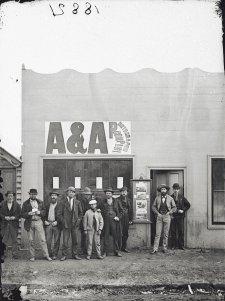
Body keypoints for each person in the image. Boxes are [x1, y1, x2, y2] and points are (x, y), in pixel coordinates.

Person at [21, 188, 52, 261]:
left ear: (36, 194)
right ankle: (32, 256)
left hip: (39, 221)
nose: (33, 195)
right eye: (32, 194)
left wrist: (40, 212)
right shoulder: (25, 203)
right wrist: (28, 213)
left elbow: (45, 212)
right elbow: (22, 214)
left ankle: (46, 255)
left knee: (43, 239)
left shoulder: (40, 202)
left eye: (35, 194)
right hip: (30, 222)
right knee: (31, 240)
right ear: (29, 194)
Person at [58, 186, 83, 261]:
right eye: (69, 192)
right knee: (65, 241)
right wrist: (63, 221)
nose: (71, 193)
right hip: (66, 225)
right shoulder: (62, 202)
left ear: (74, 193)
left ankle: (75, 254)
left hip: (75, 225)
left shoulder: (77, 202)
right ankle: (64, 255)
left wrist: (78, 221)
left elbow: (81, 213)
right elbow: (59, 214)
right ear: (67, 193)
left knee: (75, 240)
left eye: (72, 192)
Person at [151, 184, 176, 254]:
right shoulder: (157, 198)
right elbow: (153, 207)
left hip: (167, 217)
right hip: (159, 217)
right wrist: (157, 213)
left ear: (166, 190)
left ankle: (164, 247)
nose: (163, 190)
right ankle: (155, 249)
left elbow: (174, 207)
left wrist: (170, 212)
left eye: (164, 189)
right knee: (157, 234)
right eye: (162, 189)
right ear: (160, 190)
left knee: (165, 234)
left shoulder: (170, 198)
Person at [101, 187, 122, 257]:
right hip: (106, 221)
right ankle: (104, 252)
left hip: (114, 221)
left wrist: (118, 217)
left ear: (112, 194)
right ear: (105, 194)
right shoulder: (102, 201)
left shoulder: (116, 201)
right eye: (107, 193)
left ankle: (116, 251)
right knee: (106, 236)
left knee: (115, 236)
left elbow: (122, 211)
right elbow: (98, 208)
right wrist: (98, 210)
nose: (108, 194)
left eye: (109, 193)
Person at [0, 191, 21, 259]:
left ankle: (15, 254)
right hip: (4, 225)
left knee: (14, 240)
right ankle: (3, 254)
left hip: (14, 225)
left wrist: (14, 217)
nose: (10, 197)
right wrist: (5, 217)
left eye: (11, 196)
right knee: (4, 240)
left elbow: (20, 214)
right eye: (9, 196)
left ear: (13, 197)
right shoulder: (2, 204)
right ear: (6, 197)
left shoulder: (16, 205)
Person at [170, 183, 190, 250]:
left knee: (180, 231)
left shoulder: (182, 197)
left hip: (180, 217)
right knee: (173, 231)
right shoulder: (170, 197)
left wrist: (183, 210)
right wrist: (171, 212)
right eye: (175, 189)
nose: (176, 190)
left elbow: (188, 205)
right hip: (173, 217)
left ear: (179, 189)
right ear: (173, 189)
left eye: (177, 189)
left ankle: (181, 246)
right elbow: (168, 207)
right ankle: (173, 245)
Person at [44, 190, 62, 260]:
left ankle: (54, 254)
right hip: (48, 224)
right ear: (50, 197)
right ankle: (49, 254)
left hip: (56, 225)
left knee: (56, 241)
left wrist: (57, 222)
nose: (53, 197)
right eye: (52, 195)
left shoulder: (60, 205)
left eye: (55, 195)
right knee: (48, 241)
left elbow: (62, 215)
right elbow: (43, 214)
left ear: (57, 197)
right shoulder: (47, 205)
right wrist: (44, 221)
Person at [117, 187, 133, 252]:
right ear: (121, 192)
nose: (124, 193)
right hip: (119, 218)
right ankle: (118, 247)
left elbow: (131, 210)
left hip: (126, 217)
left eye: (125, 192)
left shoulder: (129, 200)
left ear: (127, 193)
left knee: (125, 233)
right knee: (119, 233)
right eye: (122, 191)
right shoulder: (117, 199)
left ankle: (124, 247)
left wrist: (130, 219)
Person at [80, 187, 92, 255]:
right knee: (83, 235)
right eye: (86, 194)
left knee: (91, 235)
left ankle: (90, 249)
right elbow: (81, 210)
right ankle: (83, 249)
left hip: (90, 220)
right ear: (84, 195)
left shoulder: (92, 201)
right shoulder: (81, 201)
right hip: (83, 220)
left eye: (88, 194)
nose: (87, 196)